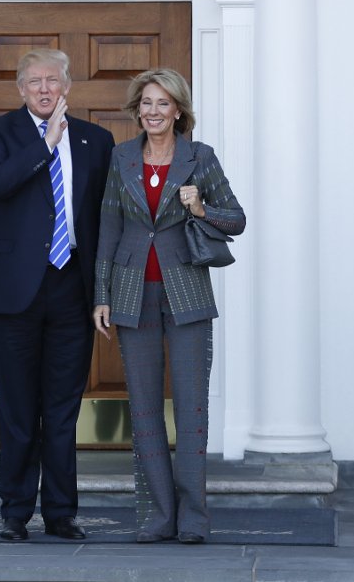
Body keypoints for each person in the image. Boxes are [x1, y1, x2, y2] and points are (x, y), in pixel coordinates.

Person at [92, 69, 245, 544]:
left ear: (179, 110)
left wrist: (200, 208)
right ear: (138, 109)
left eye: (163, 104)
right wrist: (101, 294)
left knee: (192, 408)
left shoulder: (201, 157)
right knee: (143, 410)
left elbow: (236, 219)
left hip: (188, 295)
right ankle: (158, 516)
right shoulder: (121, 157)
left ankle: (193, 518)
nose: (154, 112)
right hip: (133, 292)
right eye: (147, 103)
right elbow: (109, 228)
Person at [0, 48, 115, 541]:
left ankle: (61, 513)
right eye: (33, 81)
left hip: (71, 286)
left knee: (62, 408)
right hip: (16, 290)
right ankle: (14, 513)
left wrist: (105, 289)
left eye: (52, 81)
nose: (43, 89)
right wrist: (46, 145)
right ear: (20, 89)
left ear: (66, 87)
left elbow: (104, 219)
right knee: (17, 409)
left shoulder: (97, 140)